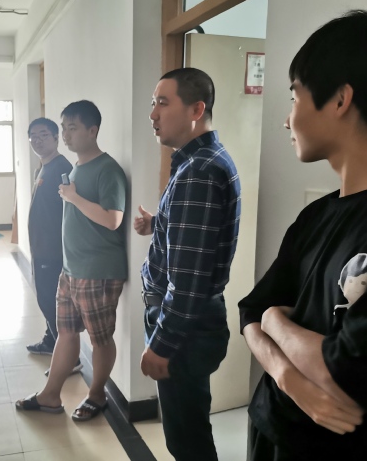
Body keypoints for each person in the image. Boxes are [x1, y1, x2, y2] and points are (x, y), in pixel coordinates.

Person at [239, 10, 367, 460]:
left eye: (294, 96)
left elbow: (346, 369)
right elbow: (251, 312)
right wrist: (289, 379)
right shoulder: (315, 216)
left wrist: (276, 322)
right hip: (272, 425)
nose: (287, 119)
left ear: (340, 99)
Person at [134, 68, 241, 461]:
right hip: (191, 324)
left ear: (196, 109)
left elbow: (189, 280)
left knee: (187, 441)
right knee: (189, 429)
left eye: (163, 103)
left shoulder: (198, 172)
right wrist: (158, 223)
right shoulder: (201, 160)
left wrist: (161, 345)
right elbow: (197, 235)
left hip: (183, 329)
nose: (153, 114)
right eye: (153, 103)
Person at [16, 100, 127, 422]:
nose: (65, 134)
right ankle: (50, 395)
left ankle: (97, 395)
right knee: (65, 333)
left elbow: (113, 219)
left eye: (72, 128)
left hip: (98, 271)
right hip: (71, 269)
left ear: (93, 130)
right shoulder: (75, 167)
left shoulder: (108, 169)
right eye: (63, 128)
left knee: (100, 339)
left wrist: (74, 197)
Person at [24, 118, 75, 362]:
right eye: (33, 136)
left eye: (43, 134)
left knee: (49, 301)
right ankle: (50, 341)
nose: (38, 140)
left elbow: (71, 210)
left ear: (56, 138)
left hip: (52, 251)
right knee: (46, 298)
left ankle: (69, 358)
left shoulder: (61, 168)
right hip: (41, 248)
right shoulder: (42, 167)